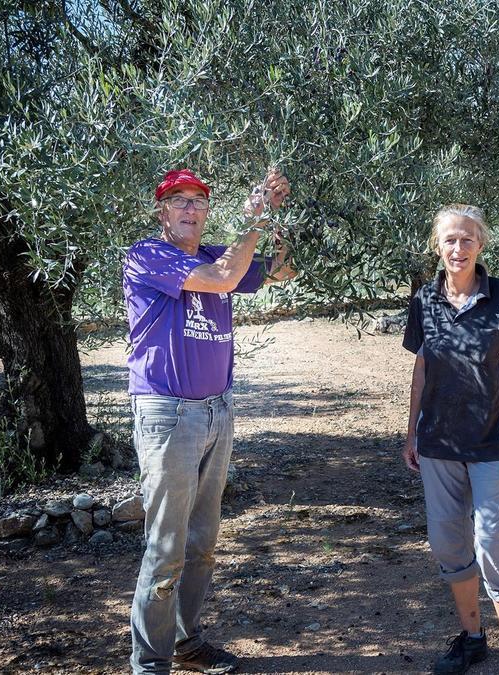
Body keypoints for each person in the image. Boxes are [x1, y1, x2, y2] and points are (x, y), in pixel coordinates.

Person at [123, 167, 293, 674]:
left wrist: (273, 214)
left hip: (217, 409)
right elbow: (222, 280)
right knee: (167, 546)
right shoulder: (147, 255)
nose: (189, 209)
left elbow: (282, 271)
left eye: (198, 200)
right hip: (168, 412)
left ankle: (186, 641)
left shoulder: (220, 253)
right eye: (178, 201)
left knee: (201, 543)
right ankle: (150, 664)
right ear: (161, 212)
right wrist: (256, 221)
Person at [402, 204, 499, 675]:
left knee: (491, 544)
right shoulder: (425, 299)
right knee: (447, 545)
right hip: (438, 444)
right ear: (437, 246)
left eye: (467, 239)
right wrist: (411, 433)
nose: (458, 248)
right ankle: (472, 638)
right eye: (449, 240)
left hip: (495, 445)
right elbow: (421, 367)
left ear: (480, 245)